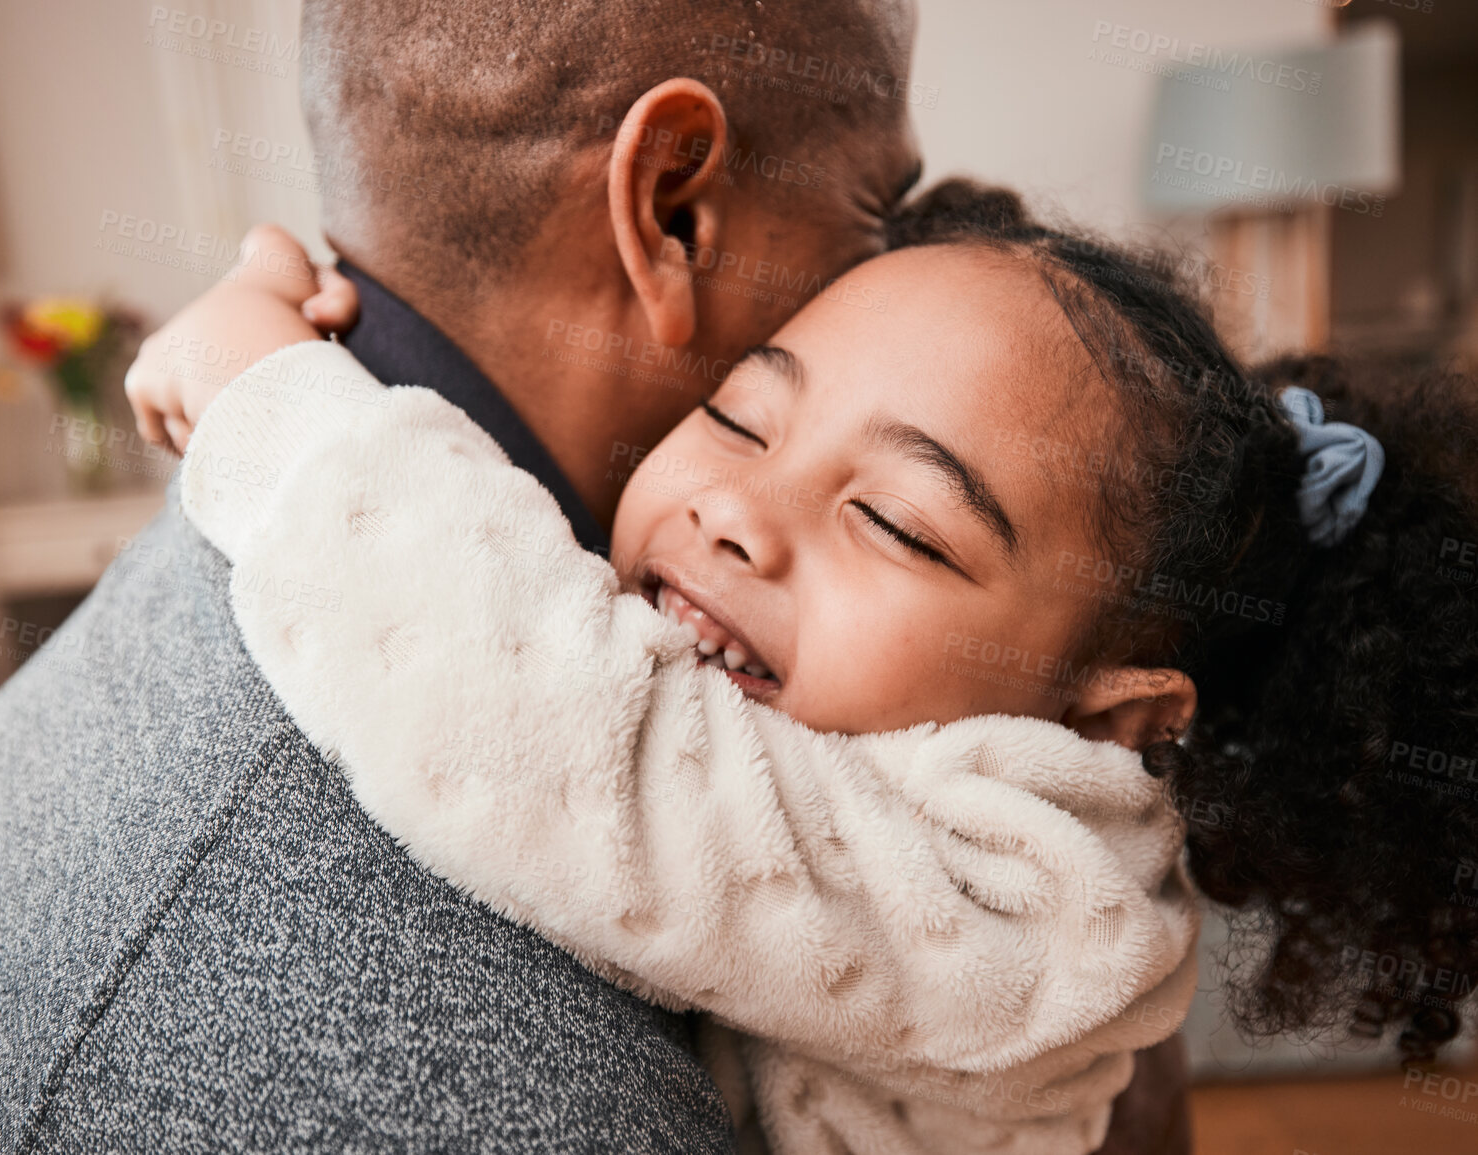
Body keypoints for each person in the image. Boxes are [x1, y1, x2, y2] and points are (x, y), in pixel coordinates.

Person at [0, 1, 926, 1151]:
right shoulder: (513, 1086)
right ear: (672, 210)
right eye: (884, 210)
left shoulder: (257, 503)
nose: (906, 283)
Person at [152, 181, 1478, 1150]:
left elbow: (556, 734)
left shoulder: (1033, 902)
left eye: (895, 520)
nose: (738, 508)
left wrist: (271, 395)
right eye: (737, 410)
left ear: (1106, 717)